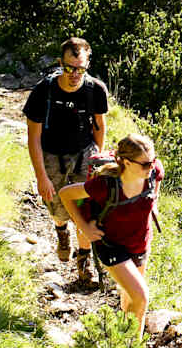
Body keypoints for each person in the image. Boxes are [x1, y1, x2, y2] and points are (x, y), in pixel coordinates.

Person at [58, 134, 163, 336]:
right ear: (125, 162)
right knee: (141, 297)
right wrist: (84, 228)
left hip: (140, 243)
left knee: (131, 297)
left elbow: (159, 175)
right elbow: (66, 194)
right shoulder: (105, 185)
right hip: (111, 245)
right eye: (145, 164)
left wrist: (154, 202)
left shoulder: (152, 172)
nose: (151, 166)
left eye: (152, 161)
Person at [24, 37, 108, 282]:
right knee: (57, 207)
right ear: (61, 63)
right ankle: (61, 229)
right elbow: (34, 137)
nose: (74, 74)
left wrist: (97, 161)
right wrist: (41, 176)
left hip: (84, 155)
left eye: (80, 69)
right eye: (69, 68)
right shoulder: (43, 91)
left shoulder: (95, 90)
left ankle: (84, 263)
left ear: (87, 64)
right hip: (52, 156)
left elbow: (100, 125)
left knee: (85, 210)